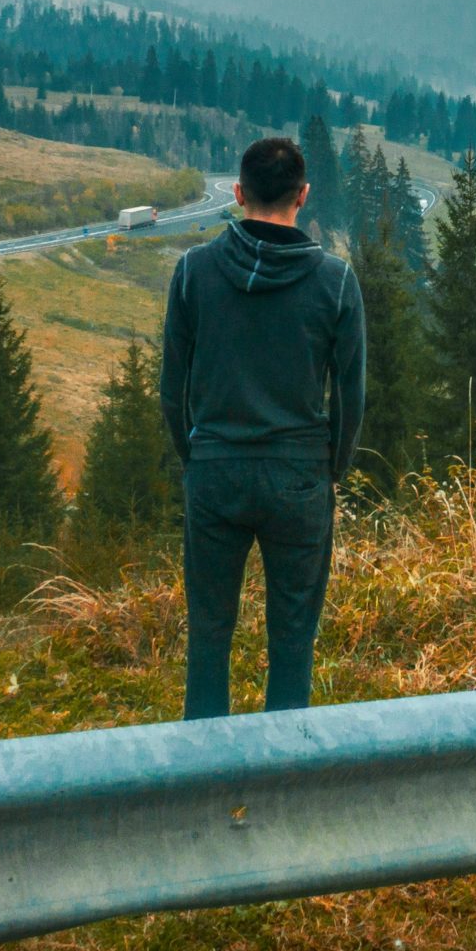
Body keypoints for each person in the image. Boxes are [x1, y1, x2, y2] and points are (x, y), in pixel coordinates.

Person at [160, 135, 366, 719]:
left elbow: (172, 391)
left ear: (237, 193)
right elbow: (350, 398)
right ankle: (284, 784)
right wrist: (330, 469)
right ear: (302, 195)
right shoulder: (336, 281)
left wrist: (197, 456)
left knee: (208, 635)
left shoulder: (192, 272)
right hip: (300, 477)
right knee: (293, 641)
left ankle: (205, 779)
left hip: (216, 472)